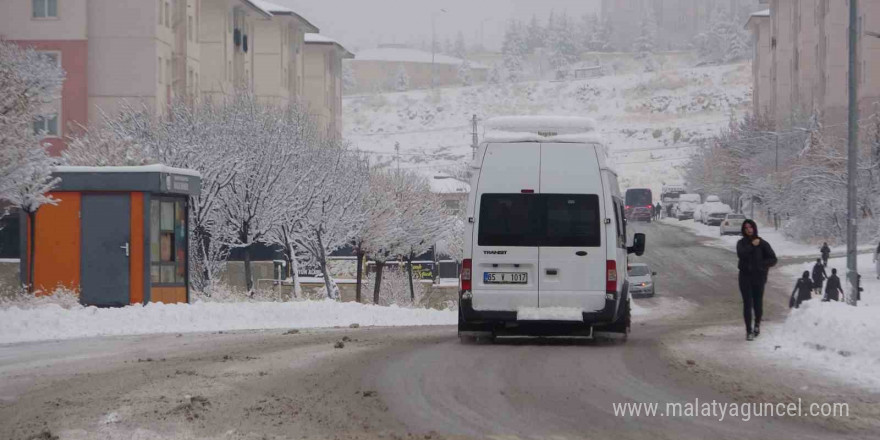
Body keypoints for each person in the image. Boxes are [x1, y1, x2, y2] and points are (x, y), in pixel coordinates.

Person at [736, 219, 778, 341]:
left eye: (750, 227)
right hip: (745, 277)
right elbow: (741, 255)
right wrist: (751, 245)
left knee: (757, 303)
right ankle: (748, 330)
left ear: (754, 228)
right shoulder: (741, 243)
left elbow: (773, 259)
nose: (748, 229)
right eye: (746, 228)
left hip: (759, 277)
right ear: (743, 230)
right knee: (747, 303)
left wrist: (761, 265)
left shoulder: (763, 243)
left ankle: (757, 325)